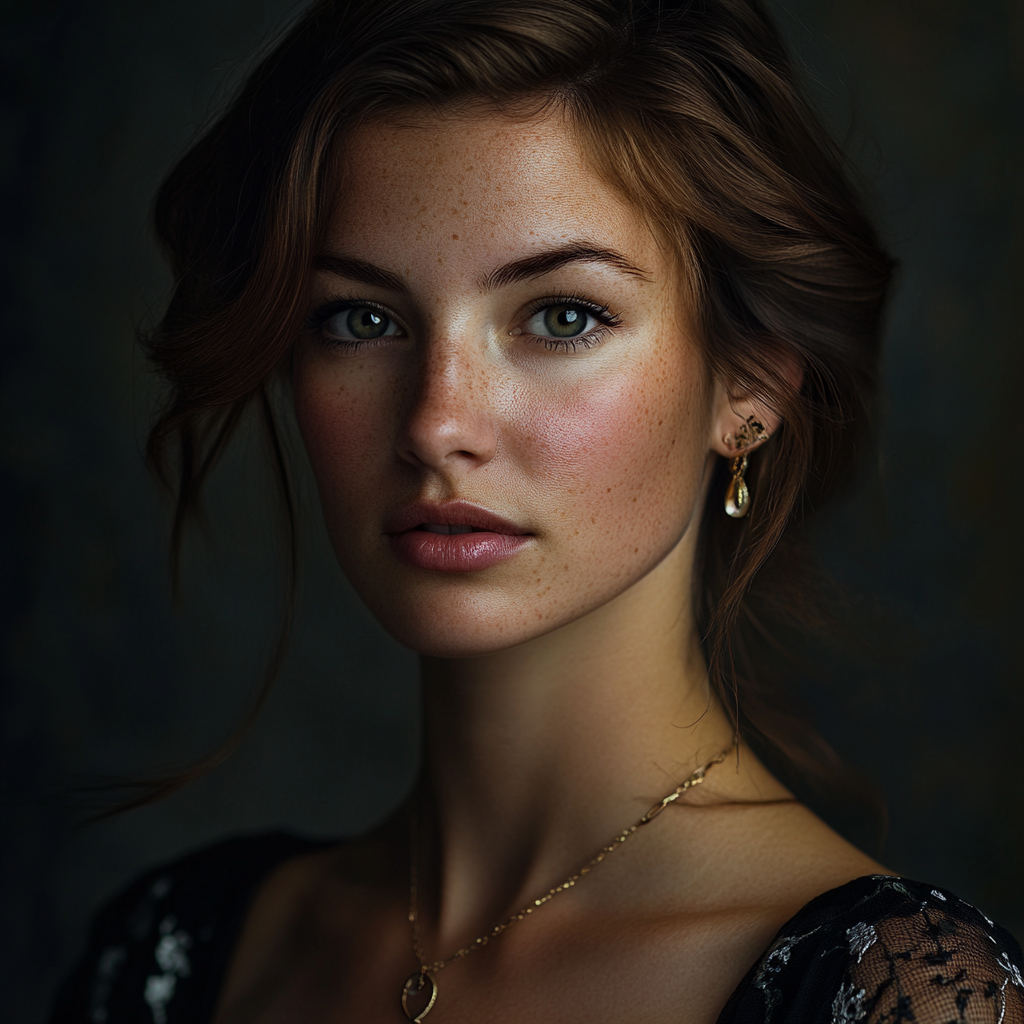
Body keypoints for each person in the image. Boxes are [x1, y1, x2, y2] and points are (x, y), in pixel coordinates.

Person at [50, 0, 1024, 1021]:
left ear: (749, 389)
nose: (435, 422)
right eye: (361, 318)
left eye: (562, 315)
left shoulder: (894, 993)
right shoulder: (177, 953)